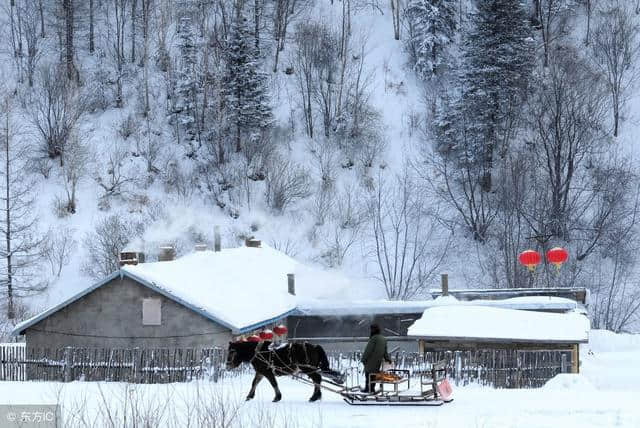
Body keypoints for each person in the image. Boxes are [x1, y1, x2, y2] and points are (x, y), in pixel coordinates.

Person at [360, 323, 391, 393]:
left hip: (370, 361)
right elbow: (385, 351)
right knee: (374, 375)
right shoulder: (383, 339)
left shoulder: (373, 338)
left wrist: (363, 359)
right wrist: (387, 359)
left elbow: (368, 350)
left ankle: (368, 389)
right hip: (378, 362)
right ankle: (372, 388)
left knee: (368, 375)